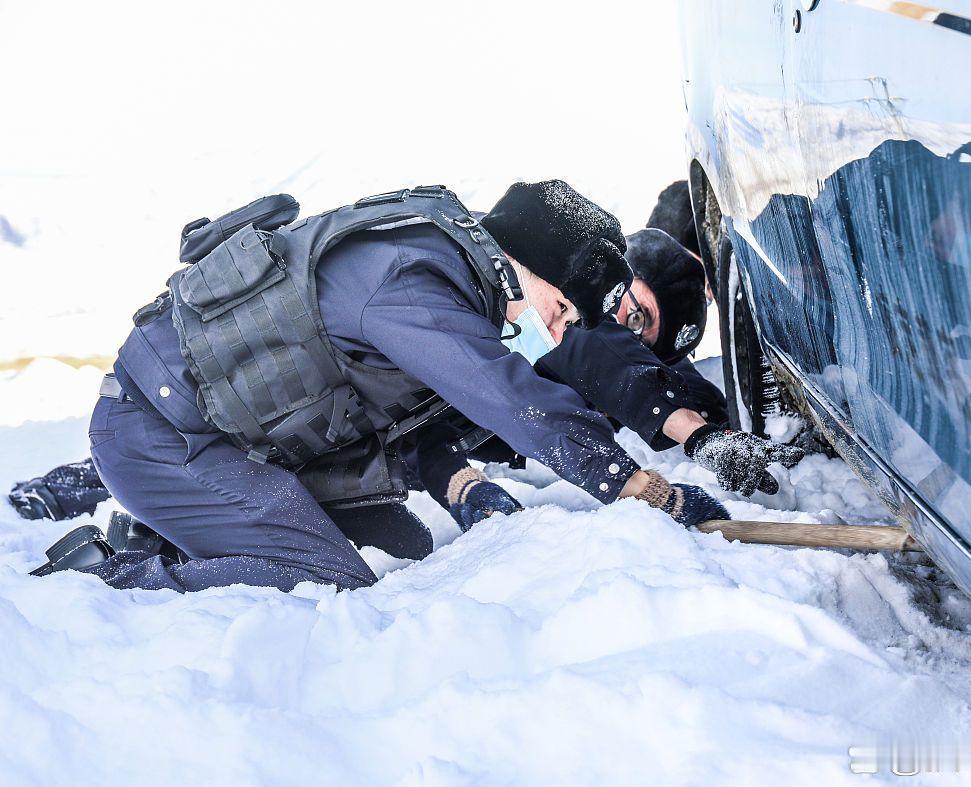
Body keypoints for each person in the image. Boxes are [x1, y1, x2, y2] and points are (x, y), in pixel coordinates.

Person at [31, 180, 802, 592]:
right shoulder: (412, 282)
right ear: (534, 267)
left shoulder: (447, 260)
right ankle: (118, 572)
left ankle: (172, 531)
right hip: (162, 438)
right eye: (562, 306)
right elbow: (512, 398)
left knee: (398, 536)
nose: (560, 327)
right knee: (325, 578)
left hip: (208, 435)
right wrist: (641, 486)